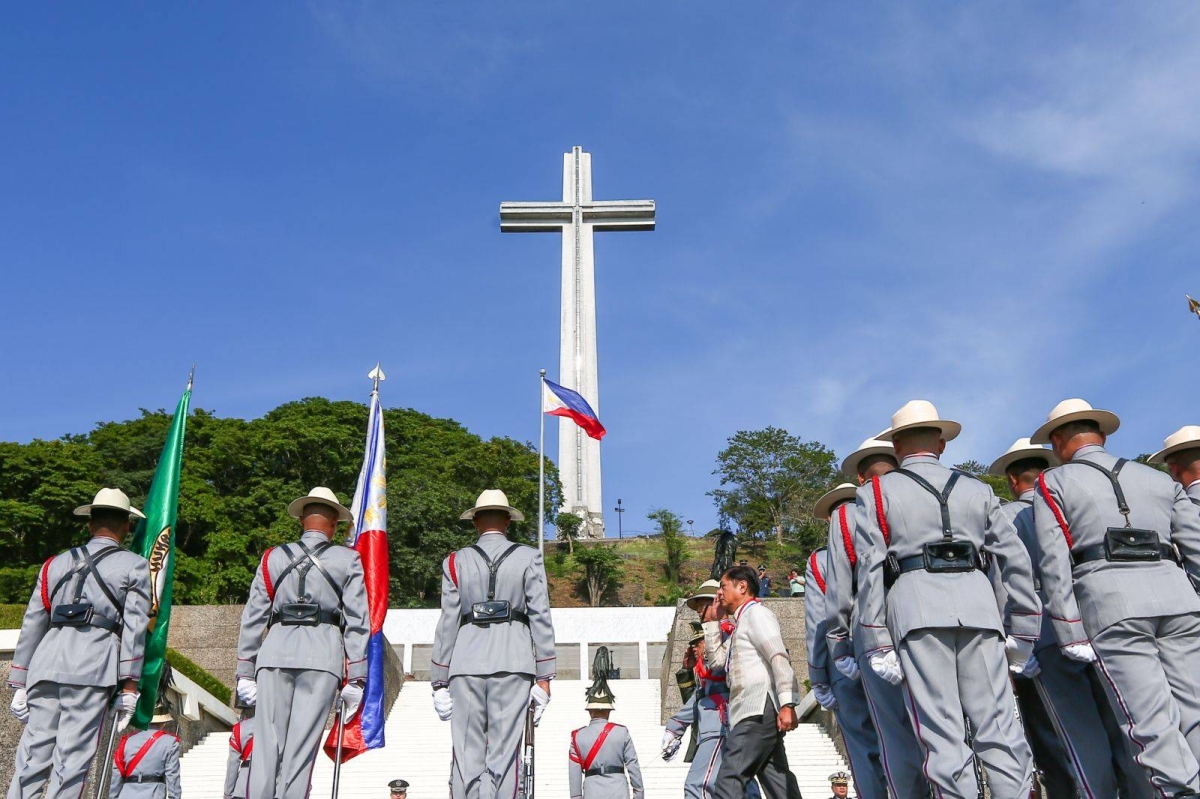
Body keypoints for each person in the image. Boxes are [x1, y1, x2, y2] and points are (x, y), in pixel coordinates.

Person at [856, 400, 1040, 798]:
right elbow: (1014, 559)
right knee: (999, 729)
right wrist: (1024, 626)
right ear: (940, 444)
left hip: (916, 608)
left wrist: (876, 639)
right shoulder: (978, 489)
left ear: (897, 446)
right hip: (980, 608)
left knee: (942, 734)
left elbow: (870, 568)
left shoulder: (876, 491)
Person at [1031, 399, 1200, 794]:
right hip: (1177, 598)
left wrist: (1069, 629)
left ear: (1057, 442)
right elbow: (1195, 548)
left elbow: (1053, 562)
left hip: (1112, 603)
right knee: (1195, 711)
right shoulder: (1160, 480)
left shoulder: (1053, 482)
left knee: (1149, 720)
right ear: (1102, 436)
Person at [988, 438, 1149, 798]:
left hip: (1041, 630)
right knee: (1120, 722)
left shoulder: (1004, 517)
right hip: (1095, 618)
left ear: (1013, 481)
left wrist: (1013, 643)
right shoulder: (1075, 505)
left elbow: (1003, 582)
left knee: (1071, 735)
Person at [7, 487, 153, 799]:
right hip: (93, 665)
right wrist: (129, 686)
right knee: (72, 764)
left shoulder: (53, 564)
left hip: (45, 666)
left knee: (31, 759)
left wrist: (20, 681)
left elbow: (33, 621)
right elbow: (135, 627)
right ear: (127, 525)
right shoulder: (135, 565)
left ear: (89, 523)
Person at [235, 487, 370, 799]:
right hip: (322, 656)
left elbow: (253, 615)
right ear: (334, 524)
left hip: (274, 653)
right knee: (301, 749)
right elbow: (357, 622)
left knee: (267, 745)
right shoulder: (348, 560)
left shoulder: (272, 557)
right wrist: (358, 676)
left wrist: (244, 670)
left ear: (302, 521)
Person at [431, 489, 555, 799]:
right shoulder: (529, 557)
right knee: (505, 758)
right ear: (508, 521)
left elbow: (448, 622)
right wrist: (545, 676)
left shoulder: (455, 562)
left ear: (475, 521)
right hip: (513, 662)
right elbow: (540, 615)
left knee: (466, 758)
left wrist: (439, 681)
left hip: (465, 664)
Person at [824, 437, 929, 798]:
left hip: (871, 629)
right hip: (925, 615)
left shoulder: (847, 516)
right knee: (939, 722)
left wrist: (839, 647)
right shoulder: (920, 498)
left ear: (858, 475)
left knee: (893, 732)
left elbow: (838, 592)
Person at [806, 485, 886, 799]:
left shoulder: (820, 561)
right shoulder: (883, 544)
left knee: (862, 747)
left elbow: (817, 622)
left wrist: (818, 677)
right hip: (887, 650)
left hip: (844, 658)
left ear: (831, 520)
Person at [701, 565, 801, 799]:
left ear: (742, 587)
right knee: (778, 782)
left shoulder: (756, 614)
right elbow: (716, 661)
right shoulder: (740, 624)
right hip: (753, 712)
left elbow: (778, 655)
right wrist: (713, 623)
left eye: (723, 587)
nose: (719, 594)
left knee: (729, 778)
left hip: (756, 709)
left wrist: (787, 703)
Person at [664, 618, 760, 799]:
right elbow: (698, 697)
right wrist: (687, 670)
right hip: (720, 728)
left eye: (698, 642)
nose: (694, 648)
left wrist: (675, 725)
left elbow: (703, 697)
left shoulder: (721, 664)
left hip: (719, 728)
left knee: (698, 785)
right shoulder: (705, 669)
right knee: (739, 783)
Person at [569, 654, 643, 799]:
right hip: (619, 790)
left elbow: (574, 775)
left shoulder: (577, 737)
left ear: (589, 710)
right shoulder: (621, 732)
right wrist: (639, 793)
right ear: (609, 710)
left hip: (592, 792)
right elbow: (633, 764)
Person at [109, 701, 182, 798]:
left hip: (126, 794)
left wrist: (113, 796)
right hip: (154, 794)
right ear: (163, 722)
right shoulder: (170, 742)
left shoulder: (127, 741)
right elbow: (172, 775)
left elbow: (117, 772)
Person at [223, 708, 254, 799]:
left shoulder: (240, 728)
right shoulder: (283, 726)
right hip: (276, 787)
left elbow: (233, 764)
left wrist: (228, 793)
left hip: (244, 788)